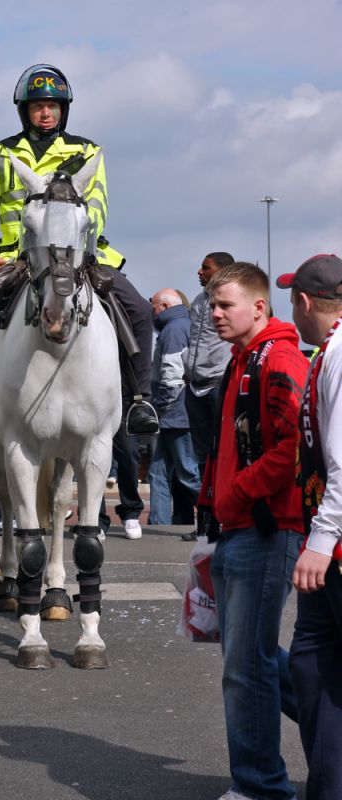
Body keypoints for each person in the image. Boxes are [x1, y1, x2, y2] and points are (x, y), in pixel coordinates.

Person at [0, 63, 157, 445]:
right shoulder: (0, 155)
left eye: (53, 106)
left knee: (138, 309)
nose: (45, 113)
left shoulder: (88, 152)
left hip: (78, 256)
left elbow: (97, 208)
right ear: (25, 111)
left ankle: (139, 400)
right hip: (14, 259)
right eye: (37, 106)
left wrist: (75, 246)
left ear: (63, 110)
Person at [198, 262, 308, 800]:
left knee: (246, 666)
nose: (215, 315)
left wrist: (236, 492)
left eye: (226, 306)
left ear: (259, 308)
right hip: (239, 527)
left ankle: (262, 788)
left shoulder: (278, 357)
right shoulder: (245, 357)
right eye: (212, 306)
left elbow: (294, 447)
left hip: (266, 530)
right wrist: (211, 504)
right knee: (254, 659)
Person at [277, 254, 342, 800]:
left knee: (318, 666)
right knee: (313, 668)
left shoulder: (339, 355)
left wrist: (321, 542)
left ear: (302, 301)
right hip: (327, 539)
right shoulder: (330, 352)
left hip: (334, 543)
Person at [181, 251, 235, 541]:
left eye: (206, 267)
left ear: (223, 271)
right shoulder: (200, 300)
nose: (199, 272)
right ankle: (205, 522)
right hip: (195, 385)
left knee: (224, 453)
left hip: (218, 383)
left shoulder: (232, 300)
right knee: (202, 456)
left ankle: (226, 519)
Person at [147, 289, 201, 525]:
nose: (151, 312)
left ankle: (222, 519)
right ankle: (158, 524)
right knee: (157, 474)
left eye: (154, 307)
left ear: (166, 307)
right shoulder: (184, 324)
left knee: (189, 473)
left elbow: (171, 375)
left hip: (175, 414)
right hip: (175, 415)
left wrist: (158, 407)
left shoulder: (173, 329)